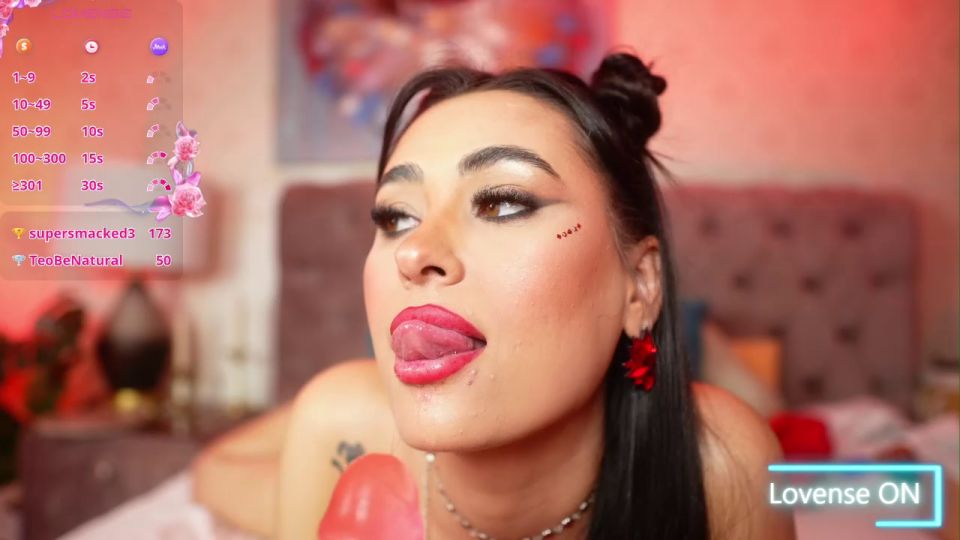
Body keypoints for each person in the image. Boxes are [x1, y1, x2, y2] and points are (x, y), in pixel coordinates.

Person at [272, 51, 795, 539]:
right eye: (396, 217)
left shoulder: (721, 464)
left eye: (503, 203)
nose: (412, 252)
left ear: (640, 286)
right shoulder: (338, 430)